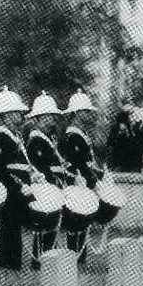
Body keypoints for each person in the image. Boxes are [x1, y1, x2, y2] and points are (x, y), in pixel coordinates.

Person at [0, 88, 34, 271]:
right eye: (16, 112)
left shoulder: (15, 135)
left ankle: (14, 263)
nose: (20, 115)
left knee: (15, 225)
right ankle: (8, 264)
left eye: (19, 112)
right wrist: (17, 186)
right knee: (9, 225)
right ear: (6, 115)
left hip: (19, 187)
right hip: (9, 188)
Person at [25, 91, 69, 268]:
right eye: (45, 117)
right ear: (37, 119)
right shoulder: (35, 140)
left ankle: (49, 258)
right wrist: (54, 174)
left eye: (51, 117)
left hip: (53, 184)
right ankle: (39, 261)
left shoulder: (50, 138)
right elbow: (38, 165)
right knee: (44, 223)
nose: (49, 121)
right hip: (43, 185)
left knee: (53, 223)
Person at [60, 89, 104, 256]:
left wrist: (96, 173)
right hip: (77, 181)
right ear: (77, 113)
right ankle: (74, 255)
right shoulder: (73, 136)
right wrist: (91, 176)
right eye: (85, 111)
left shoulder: (80, 134)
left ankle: (80, 255)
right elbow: (78, 162)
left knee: (84, 219)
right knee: (77, 219)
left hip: (85, 180)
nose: (88, 115)